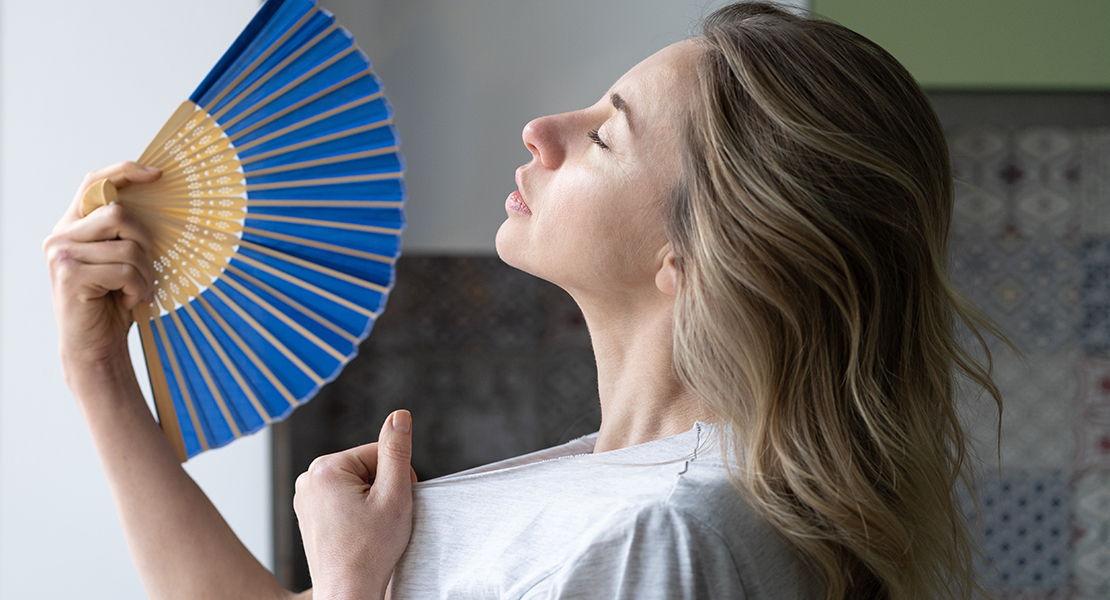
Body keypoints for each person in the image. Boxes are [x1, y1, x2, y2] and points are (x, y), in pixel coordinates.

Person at [44, 3, 1002, 599]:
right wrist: (98, 370)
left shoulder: (659, 536)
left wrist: (344, 586)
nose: (544, 129)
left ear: (695, 250)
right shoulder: (624, 485)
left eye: (604, 138)